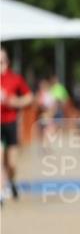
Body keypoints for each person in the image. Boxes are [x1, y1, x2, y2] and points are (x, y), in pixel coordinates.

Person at [0, 47, 33, 202]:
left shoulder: (15, 79)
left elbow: (29, 97)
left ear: (7, 62)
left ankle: (11, 182)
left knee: (11, 163)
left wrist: (16, 102)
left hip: (10, 122)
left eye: (2, 61)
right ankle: (1, 192)